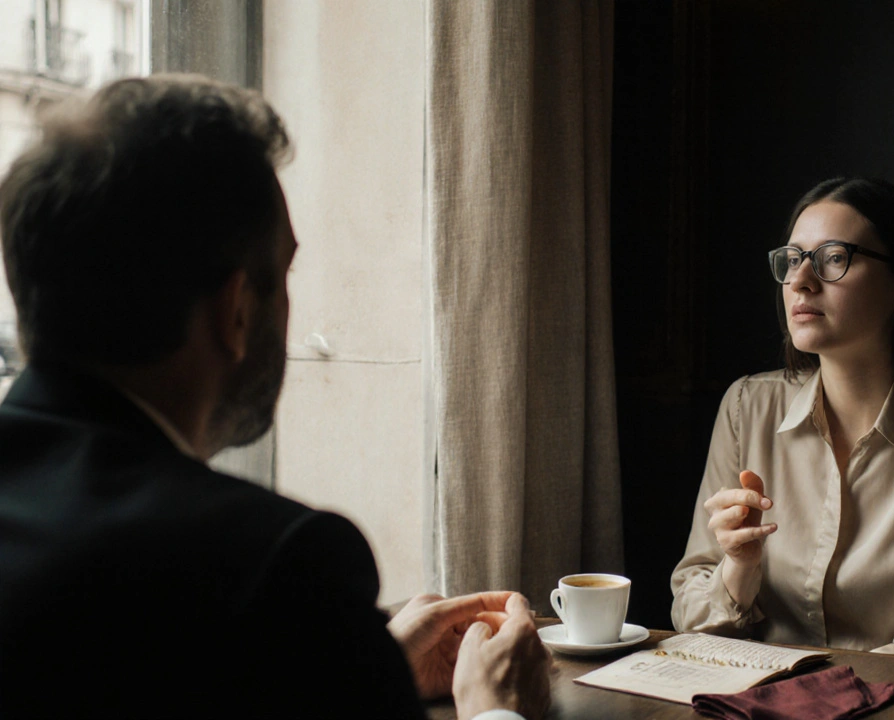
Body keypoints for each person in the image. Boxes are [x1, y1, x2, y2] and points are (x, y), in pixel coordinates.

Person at [0, 75, 549, 719]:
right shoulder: (279, 566)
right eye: (285, 272)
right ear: (236, 310)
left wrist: (361, 667)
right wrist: (497, 712)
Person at [671, 177, 894, 662]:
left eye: (833, 257)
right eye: (793, 259)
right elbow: (690, 607)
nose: (800, 281)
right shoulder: (746, 406)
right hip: (761, 699)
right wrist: (739, 567)